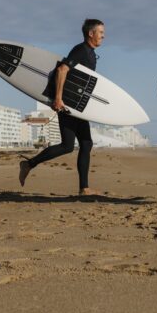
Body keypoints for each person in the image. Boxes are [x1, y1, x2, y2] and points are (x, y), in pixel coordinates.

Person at [18, 19, 104, 196]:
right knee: (67, 146)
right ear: (91, 33)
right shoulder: (80, 50)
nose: (103, 36)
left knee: (86, 144)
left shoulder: (91, 53)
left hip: (78, 106)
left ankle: (84, 188)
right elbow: (62, 70)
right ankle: (29, 164)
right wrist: (58, 98)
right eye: (101, 32)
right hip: (67, 104)